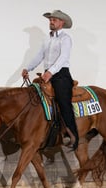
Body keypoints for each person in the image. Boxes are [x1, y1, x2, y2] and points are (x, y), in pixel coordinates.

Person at [21, 10, 79, 151]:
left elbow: (63, 58)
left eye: (54, 20)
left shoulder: (65, 39)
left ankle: (72, 134)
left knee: (62, 100)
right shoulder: (47, 39)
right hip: (48, 73)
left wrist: (50, 73)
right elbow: (39, 55)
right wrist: (27, 68)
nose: (51, 22)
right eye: (50, 20)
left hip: (61, 74)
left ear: (61, 23)